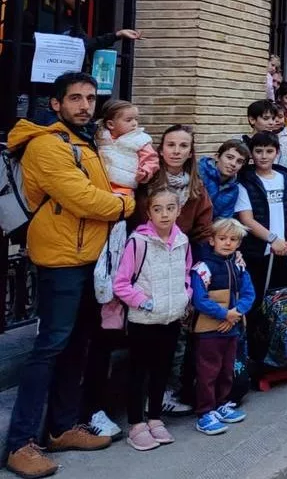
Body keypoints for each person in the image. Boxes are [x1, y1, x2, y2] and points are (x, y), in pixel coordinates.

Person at [4, 73, 133, 477]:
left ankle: (60, 429)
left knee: (76, 345)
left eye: (90, 98)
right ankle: (20, 443)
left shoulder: (84, 141)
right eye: (75, 98)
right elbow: (83, 199)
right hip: (61, 261)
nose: (85, 105)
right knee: (49, 348)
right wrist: (126, 204)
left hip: (87, 259)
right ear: (56, 104)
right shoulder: (47, 144)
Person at [113, 186, 193, 451]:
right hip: (144, 320)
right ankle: (136, 424)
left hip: (171, 318)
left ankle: (156, 418)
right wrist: (143, 302)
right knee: (139, 372)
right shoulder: (138, 242)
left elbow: (186, 273)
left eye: (170, 208)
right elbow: (121, 283)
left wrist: (185, 295)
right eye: (158, 209)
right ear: (148, 212)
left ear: (179, 210)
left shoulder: (182, 241)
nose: (165, 214)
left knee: (162, 370)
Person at [189, 218, 254, 436]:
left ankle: (221, 403)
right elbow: (200, 300)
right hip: (208, 330)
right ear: (211, 240)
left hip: (232, 327)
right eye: (222, 238)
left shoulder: (239, 266)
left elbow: (248, 294)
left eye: (233, 239)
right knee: (208, 372)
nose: (227, 243)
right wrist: (224, 314)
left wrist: (235, 315)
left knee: (227, 370)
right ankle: (204, 412)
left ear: (239, 243)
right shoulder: (202, 268)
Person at [233, 131, 287, 324]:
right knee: (254, 301)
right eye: (259, 151)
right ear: (252, 153)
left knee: (282, 302)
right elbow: (247, 219)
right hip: (257, 252)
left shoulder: (286, 180)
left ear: (277, 153)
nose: (264, 156)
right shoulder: (245, 182)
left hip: (282, 252)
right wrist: (273, 239)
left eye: (269, 151)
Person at [96, 99, 159, 195]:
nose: (134, 123)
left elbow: (151, 159)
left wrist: (145, 171)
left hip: (125, 187)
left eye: (136, 119)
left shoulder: (140, 139)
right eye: (128, 120)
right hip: (100, 183)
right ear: (111, 124)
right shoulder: (99, 137)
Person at [244, 100, 287, 179]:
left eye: (273, 118)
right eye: (266, 118)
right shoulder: (241, 142)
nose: (272, 123)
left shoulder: (285, 140)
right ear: (252, 120)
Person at [200, 141, 250, 221]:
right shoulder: (199, 172)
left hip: (209, 227)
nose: (233, 164)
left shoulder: (233, 190)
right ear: (217, 157)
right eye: (229, 157)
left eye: (239, 161)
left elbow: (223, 220)